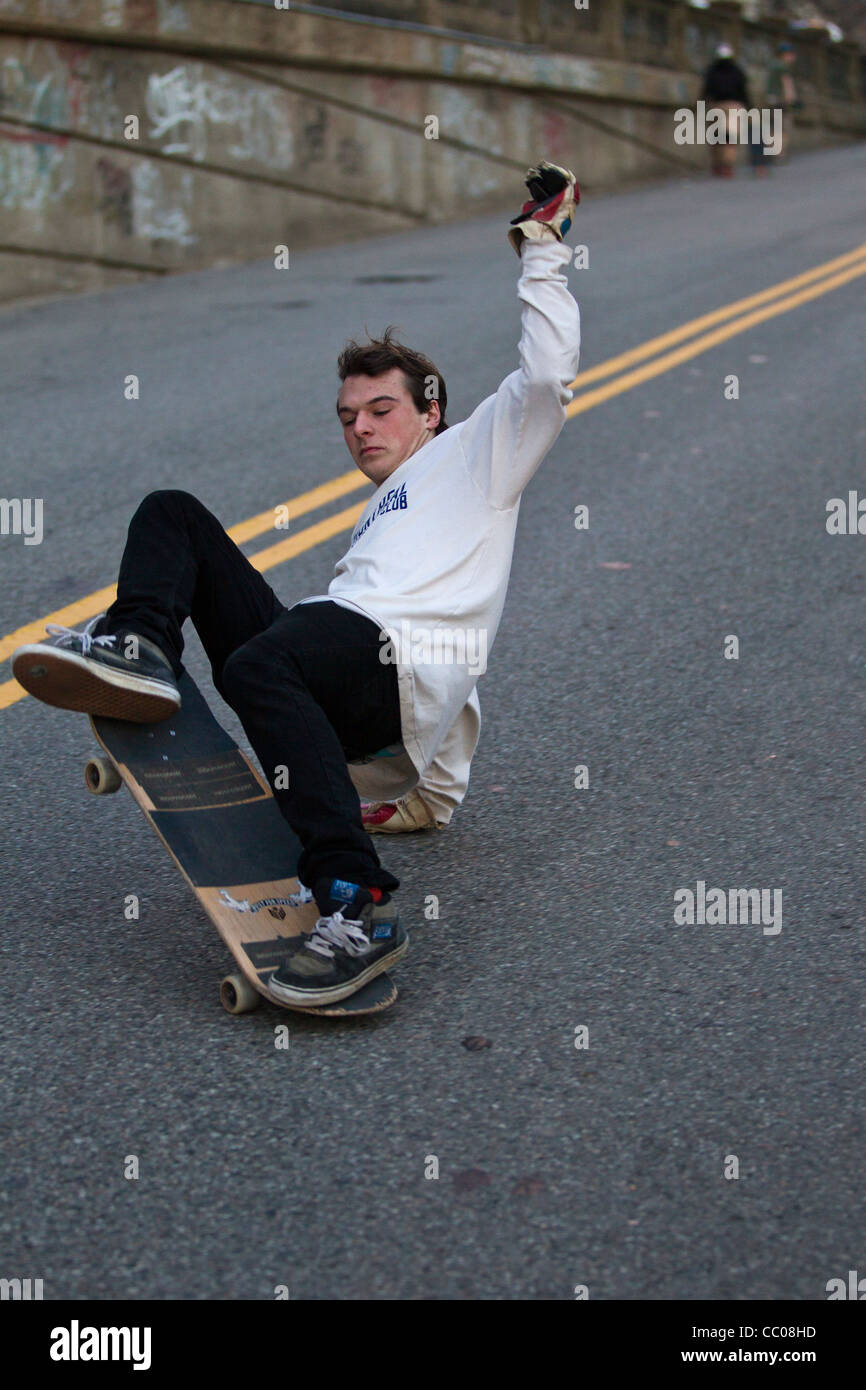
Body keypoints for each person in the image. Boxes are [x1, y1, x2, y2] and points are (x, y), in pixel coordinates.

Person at [13, 159, 581, 1007]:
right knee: (175, 515)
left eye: (380, 410)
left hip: (382, 665)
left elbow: (546, 377)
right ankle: (139, 645)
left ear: (430, 410)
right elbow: (466, 685)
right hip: (340, 666)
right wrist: (427, 796)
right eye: (348, 417)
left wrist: (542, 246)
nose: (359, 428)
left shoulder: (481, 453)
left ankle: (358, 903)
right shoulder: (390, 511)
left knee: (261, 664)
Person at [700, 42, 750, 177]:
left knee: (716, 137)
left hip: (716, 105)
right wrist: (748, 106)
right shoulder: (737, 71)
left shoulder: (712, 70)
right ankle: (727, 165)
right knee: (731, 138)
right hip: (734, 105)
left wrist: (701, 103)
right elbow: (743, 90)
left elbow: (706, 89)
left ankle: (717, 164)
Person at [765, 40, 799, 161]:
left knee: (774, 126)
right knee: (784, 127)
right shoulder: (783, 67)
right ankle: (780, 154)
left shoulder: (772, 65)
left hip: (771, 100)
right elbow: (787, 83)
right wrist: (792, 99)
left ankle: (772, 151)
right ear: (786, 55)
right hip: (781, 101)